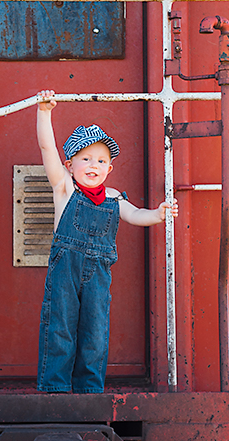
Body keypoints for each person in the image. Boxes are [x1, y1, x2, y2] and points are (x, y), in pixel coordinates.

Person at [36, 90, 178, 393]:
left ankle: (89, 389)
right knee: (59, 326)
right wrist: (44, 112)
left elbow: (136, 214)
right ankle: (55, 388)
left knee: (95, 331)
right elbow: (47, 148)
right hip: (66, 268)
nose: (93, 165)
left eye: (101, 160)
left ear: (109, 169)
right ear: (69, 164)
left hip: (98, 273)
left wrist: (158, 214)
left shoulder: (113, 197)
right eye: (85, 158)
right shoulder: (64, 189)